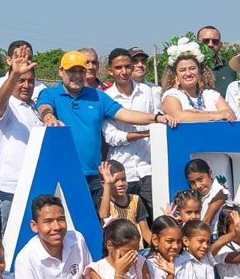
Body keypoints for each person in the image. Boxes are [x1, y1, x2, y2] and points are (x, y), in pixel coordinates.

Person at [36, 50, 176, 200]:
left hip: (95, 175)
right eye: (72, 71)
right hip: (63, 174)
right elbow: (44, 107)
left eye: (81, 71)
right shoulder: (50, 93)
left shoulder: (97, 96)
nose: (77, 75)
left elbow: (125, 114)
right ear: (61, 71)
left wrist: (156, 118)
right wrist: (49, 118)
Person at [161, 41, 236, 190]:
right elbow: (179, 117)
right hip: (191, 160)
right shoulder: (171, 95)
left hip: (218, 157)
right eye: (182, 70)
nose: (188, 73)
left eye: (192, 68)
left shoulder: (211, 95)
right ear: (175, 75)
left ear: (200, 71)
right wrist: (215, 116)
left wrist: (198, 114)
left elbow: (229, 114)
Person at [0, 44, 42, 232]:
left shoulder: (36, 109)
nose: (26, 85)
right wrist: (14, 74)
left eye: (30, 81)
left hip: (35, 185)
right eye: (21, 80)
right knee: (6, 238)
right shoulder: (7, 106)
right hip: (11, 187)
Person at [102, 48, 159, 218]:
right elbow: (112, 136)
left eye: (128, 66)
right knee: (124, 218)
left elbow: (157, 123)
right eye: (118, 68)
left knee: (153, 216)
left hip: (147, 165)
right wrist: (142, 134)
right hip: (122, 168)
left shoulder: (148, 92)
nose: (124, 72)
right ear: (110, 71)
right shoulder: (106, 97)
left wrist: (147, 132)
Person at [97, 161, 152, 243]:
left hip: (137, 250)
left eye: (123, 179)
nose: (121, 184)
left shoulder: (135, 200)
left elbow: (145, 232)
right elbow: (104, 215)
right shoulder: (105, 203)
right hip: (117, 251)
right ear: (104, 184)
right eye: (115, 181)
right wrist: (108, 183)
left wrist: (157, 247)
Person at [183, 159, 230, 234]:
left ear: (210, 173)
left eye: (200, 180)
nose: (197, 186)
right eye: (192, 182)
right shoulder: (197, 195)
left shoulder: (220, 193)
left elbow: (207, 221)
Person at [197, 26, 236, 96]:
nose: (210, 44)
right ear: (197, 43)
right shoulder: (187, 67)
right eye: (206, 41)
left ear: (220, 45)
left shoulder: (230, 68)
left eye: (215, 41)